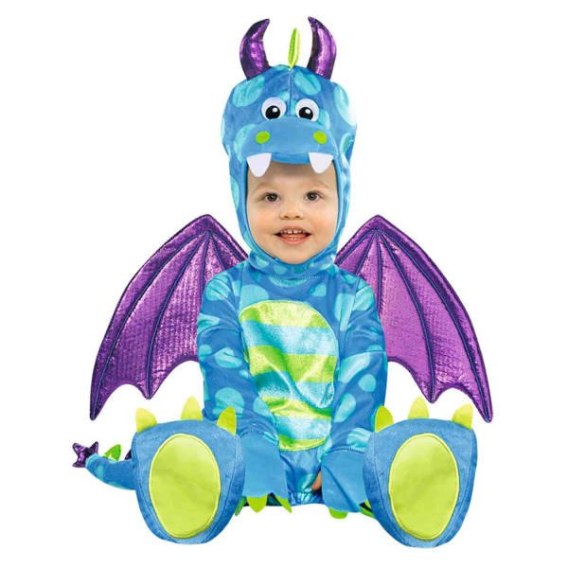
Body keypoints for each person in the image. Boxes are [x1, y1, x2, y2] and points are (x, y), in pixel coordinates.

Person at [196, 155, 388, 513]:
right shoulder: (226, 291)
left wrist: (348, 452)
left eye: (312, 196)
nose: (291, 212)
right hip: (241, 469)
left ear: (342, 199)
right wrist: (250, 447)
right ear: (241, 201)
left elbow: (363, 380)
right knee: (190, 464)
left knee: (397, 461)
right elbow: (224, 372)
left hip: (333, 475)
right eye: (270, 197)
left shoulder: (354, 295)